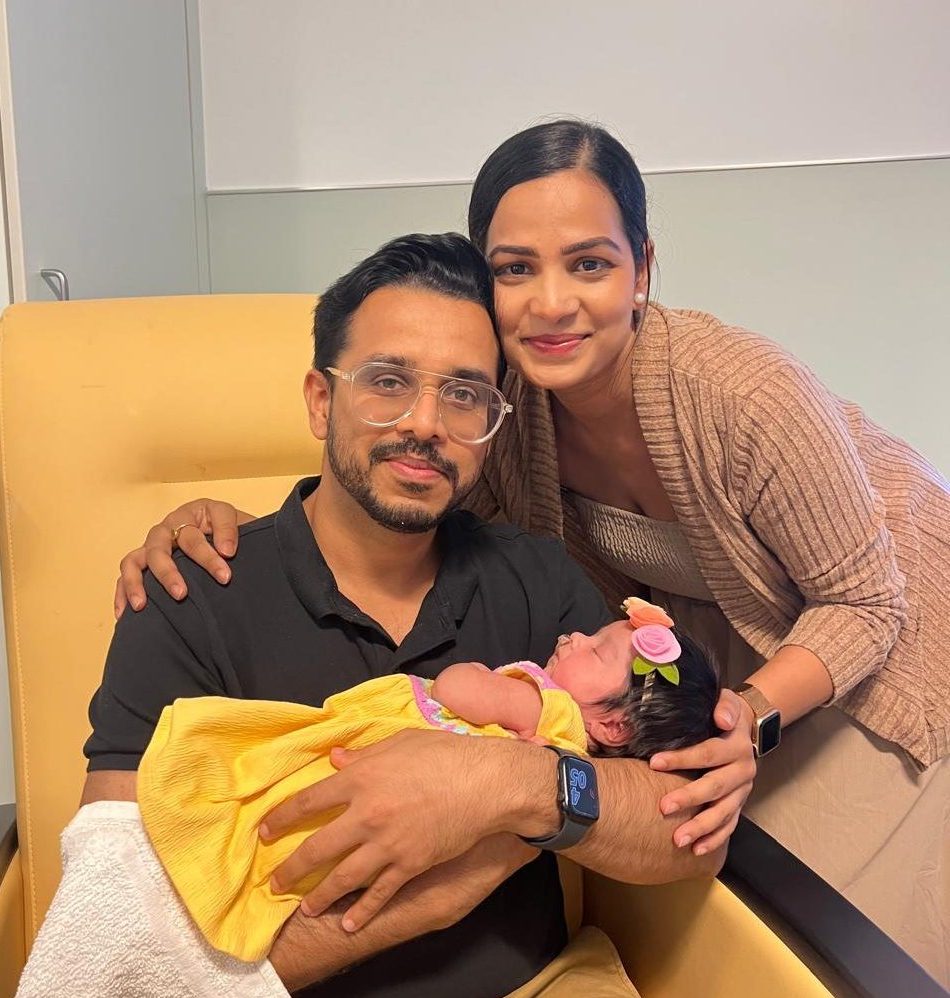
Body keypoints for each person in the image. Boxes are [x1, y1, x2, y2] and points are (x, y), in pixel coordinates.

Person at [125, 120, 950, 985]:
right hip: (703, 670)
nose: (552, 303)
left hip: (882, 651)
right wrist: (218, 520)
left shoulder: (741, 394)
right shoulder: (503, 412)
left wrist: (745, 714)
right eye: (516, 269)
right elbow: (382, 481)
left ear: (643, 271)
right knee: (735, 869)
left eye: (589, 263)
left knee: (843, 931)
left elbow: (867, 601)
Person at [19, 233, 726, 998]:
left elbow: (682, 830)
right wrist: (431, 894)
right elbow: (113, 938)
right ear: (322, 401)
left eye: (463, 395)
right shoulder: (190, 595)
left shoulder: (538, 583)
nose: (426, 422)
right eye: (388, 380)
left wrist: (503, 788)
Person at [135, 603, 719, 963]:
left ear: (613, 725)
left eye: (594, 649)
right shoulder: (569, 735)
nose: (572, 637)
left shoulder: (549, 706)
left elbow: (457, 690)